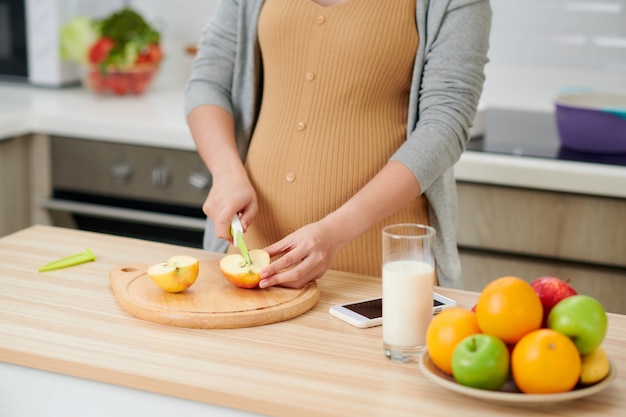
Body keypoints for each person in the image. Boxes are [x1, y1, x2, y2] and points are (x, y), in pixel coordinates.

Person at [185, 0, 492, 290]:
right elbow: (209, 82)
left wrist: (336, 232)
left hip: (382, 280)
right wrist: (226, 174)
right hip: (251, 257)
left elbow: (445, 124)